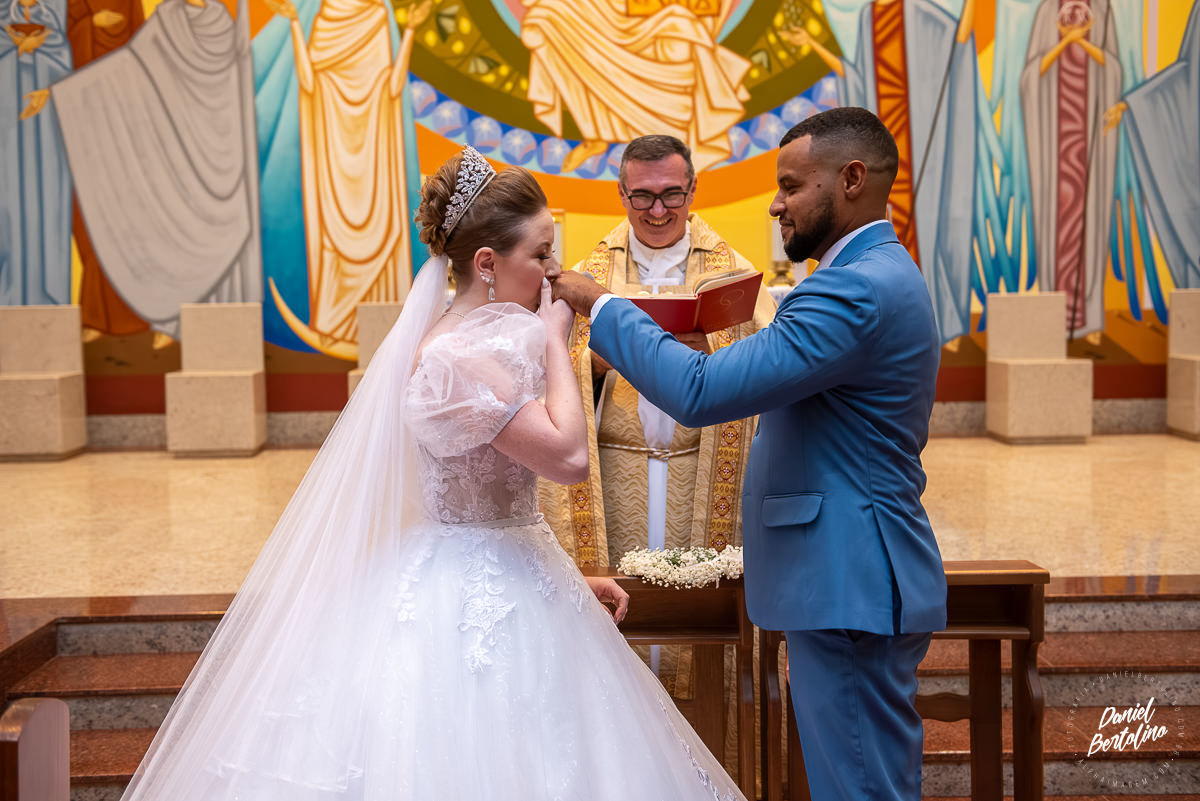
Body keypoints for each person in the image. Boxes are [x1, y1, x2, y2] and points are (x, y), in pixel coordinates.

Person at [118, 146, 749, 801]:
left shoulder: (473, 345)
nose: (553, 271)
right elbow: (567, 457)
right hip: (463, 602)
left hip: (514, 571)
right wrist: (562, 332)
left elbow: (497, 500)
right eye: (539, 254)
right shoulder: (459, 359)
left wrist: (563, 575)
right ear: (486, 264)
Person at [552, 108, 947, 801]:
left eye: (792, 185)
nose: (776, 203)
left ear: (851, 179)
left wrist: (602, 306)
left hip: (846, 577)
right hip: (846, 576)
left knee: (859, 785)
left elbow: (703, 391)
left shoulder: (852, 288)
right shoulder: (876, 272)